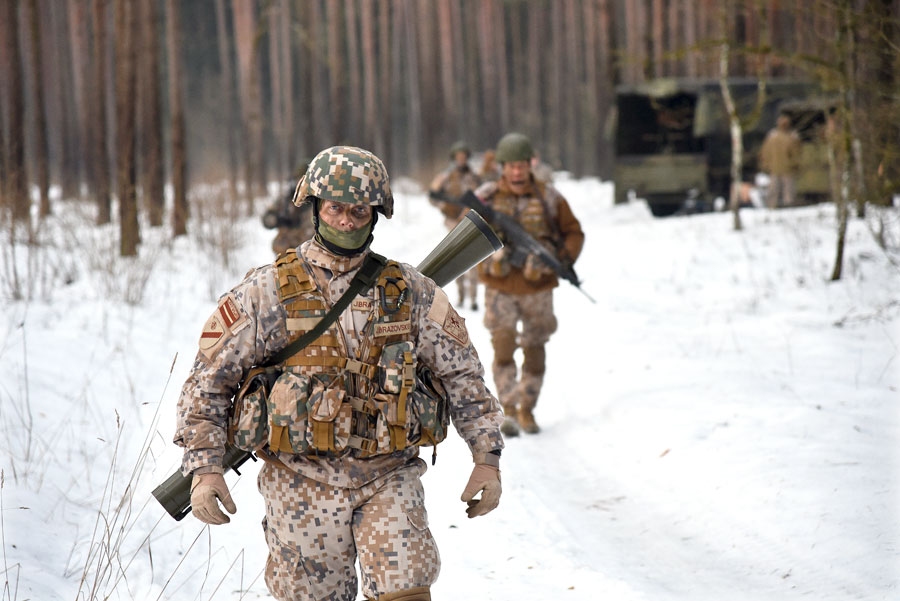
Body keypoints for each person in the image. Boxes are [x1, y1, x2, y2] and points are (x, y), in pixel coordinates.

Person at [175, 146, 504, 601]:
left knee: (407, 591)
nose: (347, 221)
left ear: (376, 213)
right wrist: (204, 469)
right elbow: (208, 384)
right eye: (335, 208)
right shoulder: (266, 291)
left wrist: (486, 458)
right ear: (314, 206)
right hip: (299, 484)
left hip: (389, 476)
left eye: (358, 210)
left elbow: (463, 375)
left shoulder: (411, 292)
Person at [473, 132, 584, 437]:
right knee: (504, 344)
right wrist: (491, 256)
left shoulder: (549, 198)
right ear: (503, 167)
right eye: (512, 166)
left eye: (522, 166)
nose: (518, 172)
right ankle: (508, 408)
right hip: (500, 285)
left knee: (535, 349)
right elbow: (466, 233)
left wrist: (561, 259)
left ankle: (527, 408)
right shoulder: (487, 196)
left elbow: (573, 233)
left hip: (538, 287)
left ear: (530, 164)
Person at [428, 141, 483, 310]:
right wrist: (444, 207)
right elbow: (432, 196)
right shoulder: (445, 177)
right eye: (458, 156)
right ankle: (460, 296)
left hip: (470, 221)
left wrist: (472, 209)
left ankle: (473, 298)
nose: (461, 159)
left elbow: (482, 199)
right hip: (452, 222)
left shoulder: (474, 177)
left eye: (463, 156)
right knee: (455, 258)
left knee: (472, 259)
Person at [262, 163, 315, 255]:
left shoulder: (319, 202)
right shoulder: (286, 200)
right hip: (286, 251)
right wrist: (277, 220)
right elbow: (267, 219)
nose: (303, 184)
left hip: (311, 252)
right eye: (300, 179)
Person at [759, 113, 802, 208]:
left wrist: (765, 165)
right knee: (787, 190)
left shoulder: (772, 136)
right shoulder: (792, 137)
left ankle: (773, 207)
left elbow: (764, 152)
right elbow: (797, 154)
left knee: (776, 190)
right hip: (786, 168)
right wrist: (796, 165)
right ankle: (786, 207)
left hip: (777, 168)